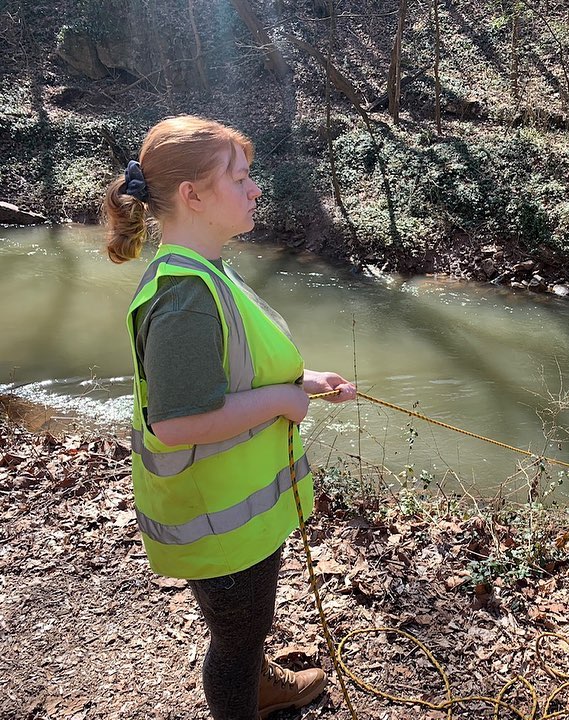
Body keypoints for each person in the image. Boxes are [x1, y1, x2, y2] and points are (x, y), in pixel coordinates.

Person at [103, 115, 357, 720]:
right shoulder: (184, 295)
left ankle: (259, 684)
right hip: (214, 521)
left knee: (249, 625)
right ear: (192, 195)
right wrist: (279, 401)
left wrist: (305, 383)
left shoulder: (207, 268)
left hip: (234, 512)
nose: (255, 189)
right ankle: (247, 696)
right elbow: (177, 423)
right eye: (240, 178)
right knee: (237, 642)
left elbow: (234, 368)